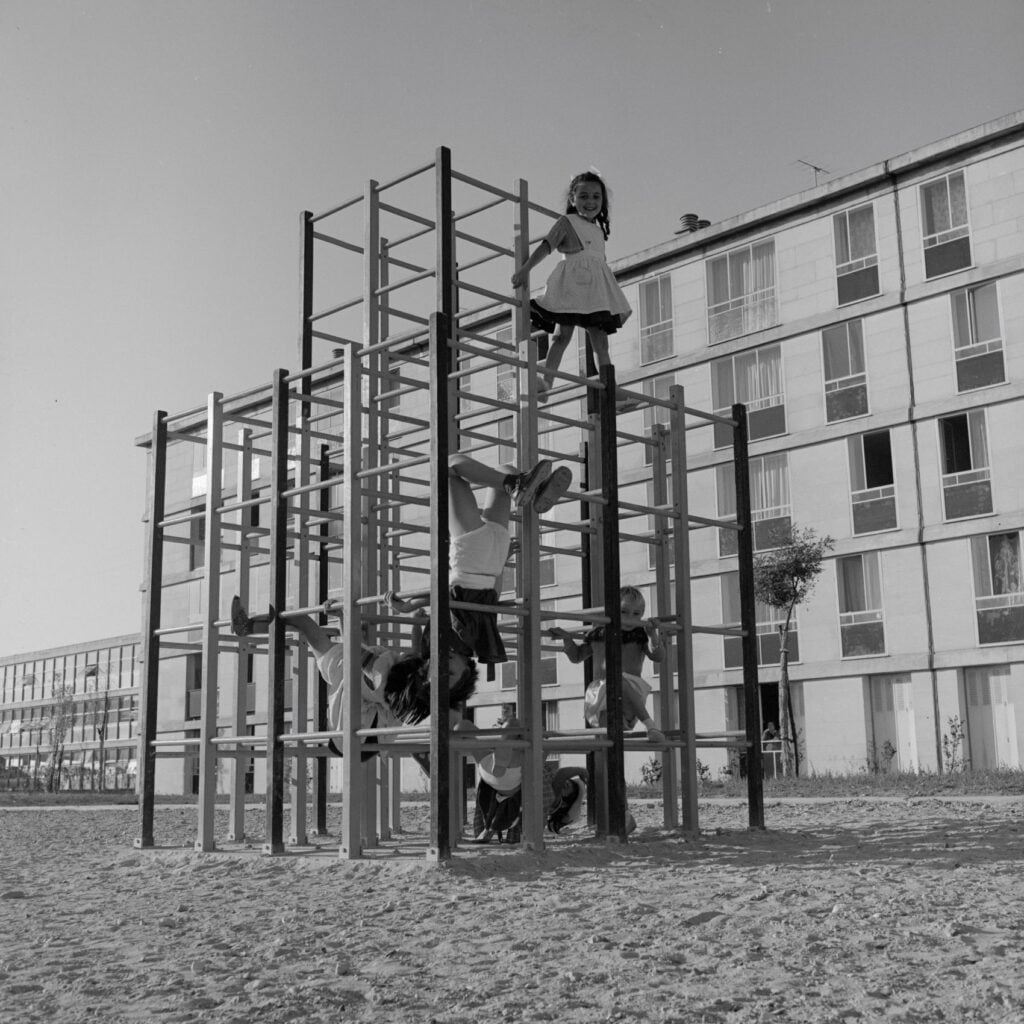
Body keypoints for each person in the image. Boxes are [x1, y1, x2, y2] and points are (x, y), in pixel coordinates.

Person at [229, 596, 477, 759]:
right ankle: (247, 627)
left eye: (450, 673)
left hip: (357, 731)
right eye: (453, 659)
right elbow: (416, 654)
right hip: (356, 702)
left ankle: (253, 625)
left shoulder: (390, 679)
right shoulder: (418, 677)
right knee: (303, 622)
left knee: (349, 639)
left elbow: (357, 656)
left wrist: (343, 617)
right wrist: (415, 622)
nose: (447, 664)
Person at [386, 452, 573, 664]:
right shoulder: (454, 607)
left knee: (505, 470)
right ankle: (521, 483)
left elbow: (495, 589)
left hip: (495, 556)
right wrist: (407, 607)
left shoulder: (481, 620)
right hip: (471, 555)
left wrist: (501, 558)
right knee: (447, 465)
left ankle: (530, 489)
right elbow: (435, 596)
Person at [510, 170, 632, 401]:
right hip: (573, 284)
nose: (590, 202)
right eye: (584, 196)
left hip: (595, 290)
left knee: (600, 341)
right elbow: (548, 246)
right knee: (561, 336)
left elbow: (599, 263)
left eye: (596, 197)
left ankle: (609, 385)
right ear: (572, 198)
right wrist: (526, 269)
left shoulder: (598, 230)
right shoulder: (567, 222)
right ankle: (545, 383)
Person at [548, 586, 666, 746]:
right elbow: (576, 657)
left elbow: (658, 657)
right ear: (612, 610)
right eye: (624, 611)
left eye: (636, 614)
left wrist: (653, 635)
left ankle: (650, 725)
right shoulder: (599, 633)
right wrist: (567, 638)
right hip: (601, 692)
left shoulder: (639, 634)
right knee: (607, 740)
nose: (629, 617)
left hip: (631, 694)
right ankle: (605, 768)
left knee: (617, 679)